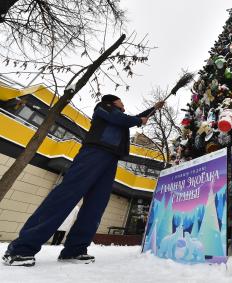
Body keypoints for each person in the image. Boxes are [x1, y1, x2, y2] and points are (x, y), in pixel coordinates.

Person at [3, 95, 165, 266]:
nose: (123, 104)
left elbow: (133, 118)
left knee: (96, 205)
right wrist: (139, 119)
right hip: (93, 154)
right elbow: (122, 119)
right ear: (111, 102)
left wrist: (153, 109)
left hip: (111, 159)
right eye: (121, 102)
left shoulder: (120, 116)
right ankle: (20, 249)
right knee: (66, 196)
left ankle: (75, 250)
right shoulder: (103, 108)